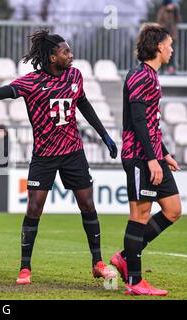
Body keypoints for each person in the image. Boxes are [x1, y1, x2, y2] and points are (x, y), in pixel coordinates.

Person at [0, 29, 118, 285]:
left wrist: (104, 135)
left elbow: (83, 103)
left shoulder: (75, 75)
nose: (71, 55)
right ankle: (25, 268)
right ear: (53, 57)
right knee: (34, 208)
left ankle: (97, 263)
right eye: (66, 51)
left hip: (73, 152)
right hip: (44, 156)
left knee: (87, 204)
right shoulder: (31, 82)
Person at [110, 23, 182, 296]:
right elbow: (138, 121)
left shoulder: (150, 75)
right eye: (169, 43)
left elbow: (150, 122)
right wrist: (152, 159)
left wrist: (163, 153)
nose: (172, 48)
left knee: (173, 209)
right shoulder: (141, 76)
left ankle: (125, 257)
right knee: (139, 215)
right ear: (158, 46)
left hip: (151, 155)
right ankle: (135, 281)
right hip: (140, 157)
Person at [157, 0, 181, 75]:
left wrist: (176, 10)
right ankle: (162, 70)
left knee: (172, 53)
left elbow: (178, 20)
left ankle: (171, 70)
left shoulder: (174, 11)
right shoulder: (162, 11)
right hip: (164, 36)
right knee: (163, 52)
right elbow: (159, 21)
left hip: (172, 36)